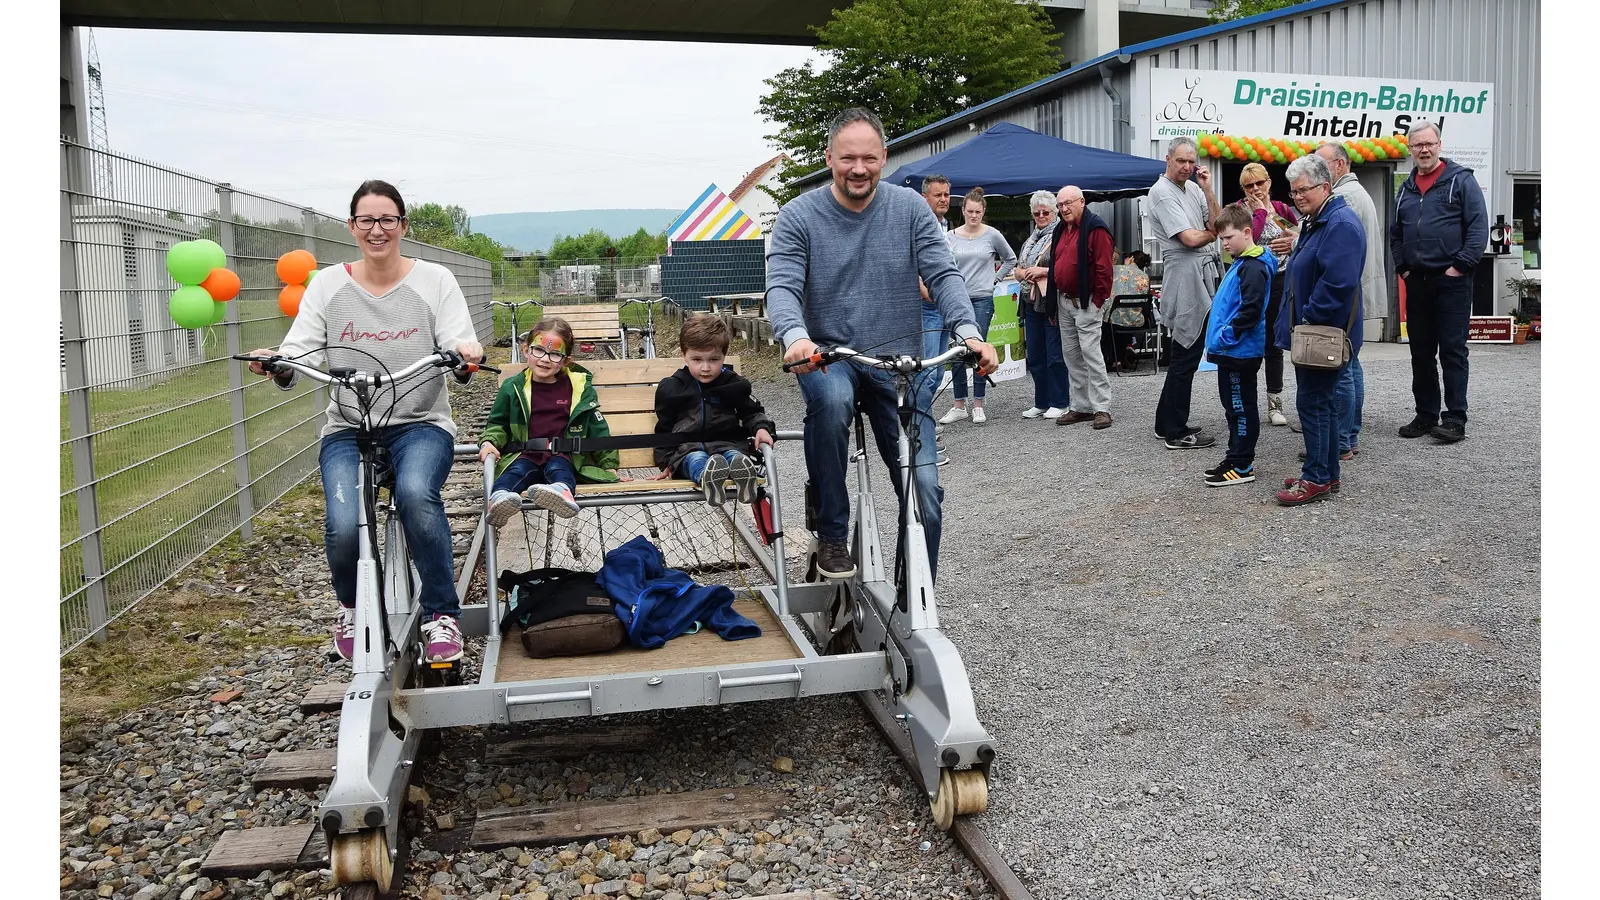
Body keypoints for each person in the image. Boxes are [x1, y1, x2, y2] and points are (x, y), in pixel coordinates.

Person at [247, 179, 484, 664]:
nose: (378, 230)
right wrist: (278, 360)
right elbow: (301, 345)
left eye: (388, 220)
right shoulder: (328, 284)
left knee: (418, 495)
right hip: (348, 427)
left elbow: (459, 340)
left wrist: (465, 352)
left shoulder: (435, 279)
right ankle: (353, 608)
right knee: (343, 523)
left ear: (403, 225)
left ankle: (442, 615)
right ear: (352, 227)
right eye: (367, 220)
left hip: (419, 422)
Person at [767, 107, 997, 579]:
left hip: (898, 363)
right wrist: (795, 337)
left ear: (884, 158)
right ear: (829, 156)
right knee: (830, 406)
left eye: (869, 158)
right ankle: (832, 533)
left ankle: (916, 601)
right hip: (829, 356)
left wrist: (969, 332)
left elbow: (943, 274)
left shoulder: (910, 209)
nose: (858, 168)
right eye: (848, 157)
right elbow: (783, 288)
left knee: (925, 493)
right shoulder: (799, 216)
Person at [1275, 155, 1366, 507]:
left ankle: (1315, 478)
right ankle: (1327, 473)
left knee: (1312, 404)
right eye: (1294, 191)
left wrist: (1309, 320)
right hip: (1317, 331)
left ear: (1325, 186)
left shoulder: (1339, 223)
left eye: (1303, 190)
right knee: (1322, 404)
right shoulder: (1320, 220)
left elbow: (1338, 283)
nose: (1297, 197)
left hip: (1321, 333)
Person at [1389, 120, 1487, 444]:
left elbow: (1477, 228)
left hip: (1452, 282)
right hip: (1417, 281)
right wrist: (1403, 268)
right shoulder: (1406, 189)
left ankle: (1455, 418)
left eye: (1430, 143)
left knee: (1453, 352)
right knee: (1420, 352)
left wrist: (1459, 267)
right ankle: (1426, 414)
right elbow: (1396, 234)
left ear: (1439, 145)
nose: (1424, 149)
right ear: (1410, 149)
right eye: (1418, 145)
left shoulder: (1461, 181)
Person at [481, 318, 620, 528]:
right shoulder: (512, 388)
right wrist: (489, 441)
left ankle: (561, 491)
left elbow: (597, 428)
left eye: (555, 354)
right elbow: (498, 423)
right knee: (515, 472)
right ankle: (500, 499)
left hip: (562, 453)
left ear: (566, 361)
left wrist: (608, 465)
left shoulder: (577, 390)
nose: (545, 359)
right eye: (539, 350)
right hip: (526, 453)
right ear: (526, 350)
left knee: (561, 470)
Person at [650, 314, 776, 505]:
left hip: (727, 443)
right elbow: (664, 428)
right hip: (687, 448)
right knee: (695, 459)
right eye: (697, 360)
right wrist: (666, 461)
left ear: (723, 356)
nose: (706, 367)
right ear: (684, 355)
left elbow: (751, 412)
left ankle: (744, 475)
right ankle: (708, 479)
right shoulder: (672, 388)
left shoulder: (734, 384)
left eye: (714, 360)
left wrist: (761, 428)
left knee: (735, 456)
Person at [1148, 137, 1222, 450]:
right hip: (1185, 274)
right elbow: (1191, 239)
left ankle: (1167, 422)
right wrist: (1216, 234)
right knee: (1185, 353)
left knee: (1186, 356)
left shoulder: (1192, 188)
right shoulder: (1162, 192)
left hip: (1199, 271)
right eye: (1181, 161)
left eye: (1191, 162)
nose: (1187, 167)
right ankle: (1174, 430)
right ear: (1168, 159)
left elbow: (1216, 221)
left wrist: (1207, 188)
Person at [1315, 140, 1388, 459]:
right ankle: (1349, 435)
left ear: (1340, 165)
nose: (1317, 172)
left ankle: (1343, 439)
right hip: (1358, 289)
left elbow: (1335, 250)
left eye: (1322, 164)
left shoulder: (1344, 197)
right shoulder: (1359, 194)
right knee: (1351, 363)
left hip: (1348, 294)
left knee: (1342, 365)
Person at [1203, 206, 1277, 487]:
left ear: (1247, 233)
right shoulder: (1242, 262)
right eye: (1221, 239)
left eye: (1228, 238)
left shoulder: (1254, 266)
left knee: (1241, 407)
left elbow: (1251, 310)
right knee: (1232, 407)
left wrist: (1226, 336)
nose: (1225, 244)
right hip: (1230, 351)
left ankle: (1243, 464)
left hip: (1239, 352)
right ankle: (1235, 457)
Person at [937, 186, 1016, 426]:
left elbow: (1011, 258)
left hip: (982, 298)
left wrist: (995, 278)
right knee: (958, 351)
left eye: (978, 212)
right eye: (970, 211)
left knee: (978, 349)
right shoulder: (950, 236)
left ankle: (979, 403)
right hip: (956, 299)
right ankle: (959, 403)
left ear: (983, 212)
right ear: (963, 211)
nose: (973, 216)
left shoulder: (992, 235)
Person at [1231, 162, 1299, 427]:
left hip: (1280, 280)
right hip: (1251, 283)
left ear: (1269, 182)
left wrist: (1291, 244)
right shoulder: (1239, 211)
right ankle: (1245, 402)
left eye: (1260, 183)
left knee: (1274, 345)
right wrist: (1259, 212)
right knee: (1249, 342)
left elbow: (1299, 237)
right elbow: (1244, 243)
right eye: (1249, 185)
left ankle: (1274, 403)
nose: (1256, 189)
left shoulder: (1281, 209)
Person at [1043, 185, 1114, 429]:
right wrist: (1054, 304)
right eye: (1060, 205)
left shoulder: (1096, 229)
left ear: (1082, 202)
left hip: (1087, 301)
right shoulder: (1061, 230)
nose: (1063, 209)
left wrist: (1097, 302)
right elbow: (1055, 266)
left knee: (1091, 355)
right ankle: (1082, 407)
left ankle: (1102, 407)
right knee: (1072, 357)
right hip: (1064, 302)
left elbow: (1105, 269)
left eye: (1068, 203)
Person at [1012, 190, 1071, 419]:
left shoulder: (1061, 234)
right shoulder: (1031, 238)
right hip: (1030, 300)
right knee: (1035, 354)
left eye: (1046, 212)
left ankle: (1060, 401)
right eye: (1037, 213)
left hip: (1051, 301)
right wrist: (1021, 273)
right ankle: (1042, 401)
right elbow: (1019, 265)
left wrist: (1043, 270)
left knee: (1054, 354)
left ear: (1054, 212)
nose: (1041, 216)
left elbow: (1066, 266)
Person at [916, 175, 955, 465]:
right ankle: (921, 433)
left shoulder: (944, 225)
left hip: (942, 305)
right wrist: (921, 286)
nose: (943, 199)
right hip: (926, 305)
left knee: (939, 371)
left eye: (946, 195)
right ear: (925, 197)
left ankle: (924, 427)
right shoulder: (917, 222)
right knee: (926, 371)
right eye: (938, 195)